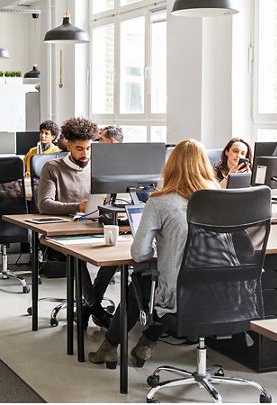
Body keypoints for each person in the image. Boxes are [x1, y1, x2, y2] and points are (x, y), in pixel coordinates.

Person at [88, 139, 222, 368]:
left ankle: (109, 348)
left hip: (178, 296)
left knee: (141, 283)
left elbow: (139, 254)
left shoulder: (160, 201)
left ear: (170, 166)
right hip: (222, 293)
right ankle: (145, 344)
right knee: (160, 283)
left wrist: (162, 249)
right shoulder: (222, 199)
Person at [37, 117, 116, 328]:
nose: (85, 154)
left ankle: (87, 308)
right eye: (80, 149)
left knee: (117, 255)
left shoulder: (98, 167)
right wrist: (78, 207)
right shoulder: (52, 168)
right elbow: (44, 204)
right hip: (62, 233)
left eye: (88, 149)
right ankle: (96, 309)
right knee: (77, 257)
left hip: (93, 226)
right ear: (68, 145)